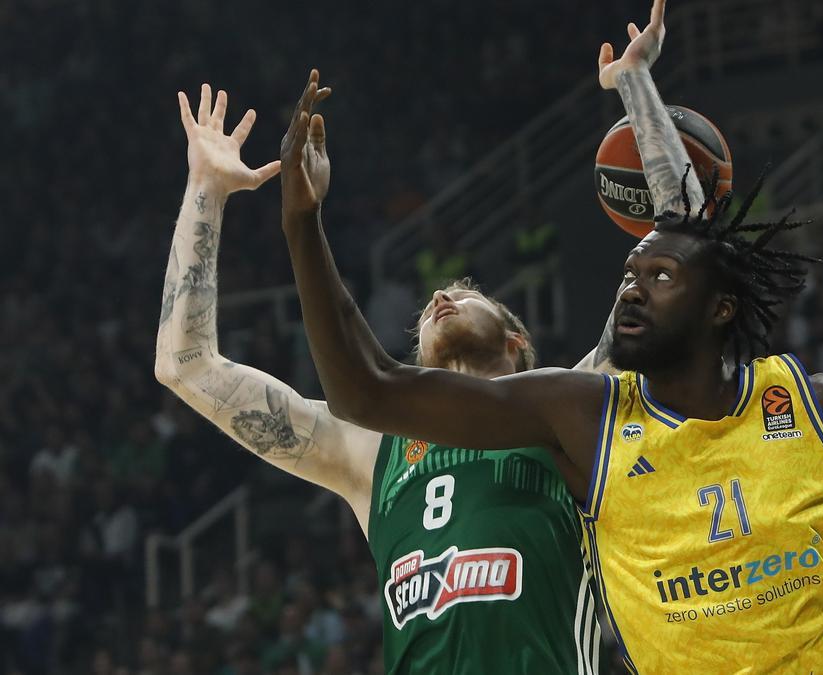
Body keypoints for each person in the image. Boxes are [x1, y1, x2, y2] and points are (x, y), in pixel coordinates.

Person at [278, 3, 823, 672]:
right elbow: (368, 391)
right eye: (628, 275)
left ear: (716, 309)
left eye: (657, 277)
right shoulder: (582, 413)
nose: (631, 284)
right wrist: (303, 223)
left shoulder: (813, 406)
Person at [154, 84, 603, 673]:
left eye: (467, 294)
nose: (440, 296)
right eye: (431, 304)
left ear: (516, 341)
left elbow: (667, 302)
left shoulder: (573, 412)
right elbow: (185, 365)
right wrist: (206, 189)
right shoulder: (369, 451)